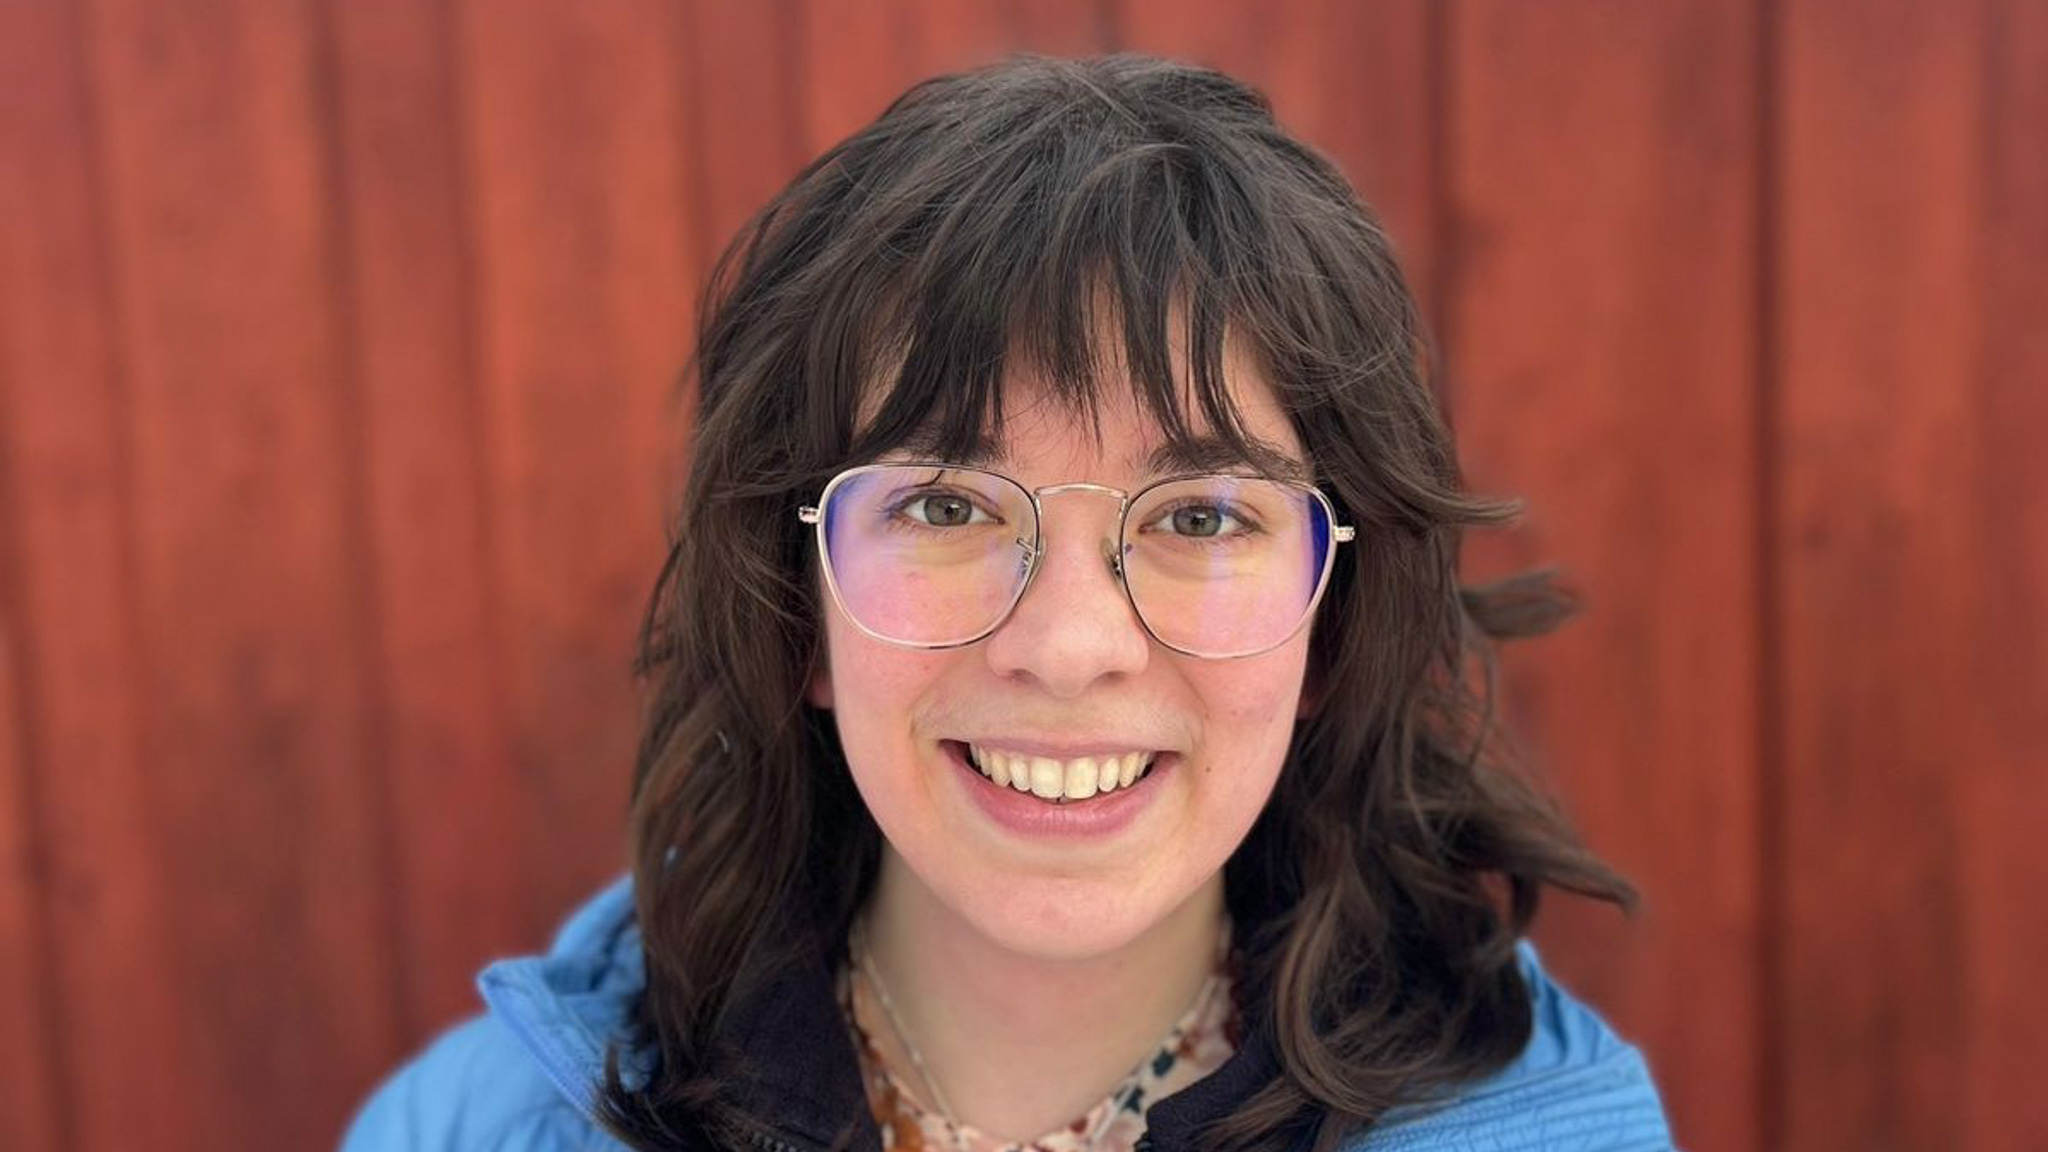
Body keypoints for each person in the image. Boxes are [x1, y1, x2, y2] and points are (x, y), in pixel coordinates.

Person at [342, 53, 1674, 1152]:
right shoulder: (469, 1128)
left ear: (1332, 617)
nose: (1070, 646)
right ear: (798, 607)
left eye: (1201, 518)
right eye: (946, 508)